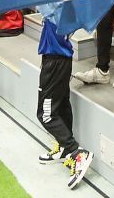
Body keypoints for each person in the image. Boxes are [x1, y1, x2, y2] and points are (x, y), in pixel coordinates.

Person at [36, 16, 94, 189]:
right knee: (60, 104)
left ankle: (77, 152)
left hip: (54, 61)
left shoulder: (56, 3)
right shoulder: (62, 4)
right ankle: (64, 147)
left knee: (45, 115)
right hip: (60, 59)